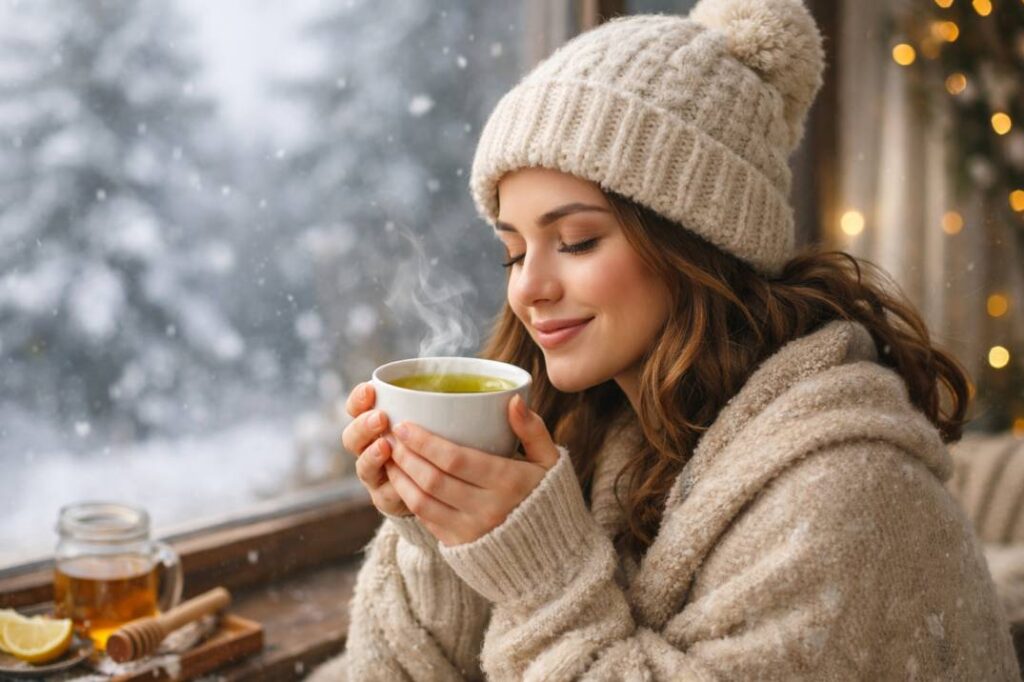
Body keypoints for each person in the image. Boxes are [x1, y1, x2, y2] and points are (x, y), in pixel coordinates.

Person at [309, 0, 1020, 679]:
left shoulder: (843, 492)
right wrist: (441, 530)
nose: (527, 288)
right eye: (514, 251)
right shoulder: (600, 434)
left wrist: (545, 577)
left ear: (697, 242)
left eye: (578, 240)